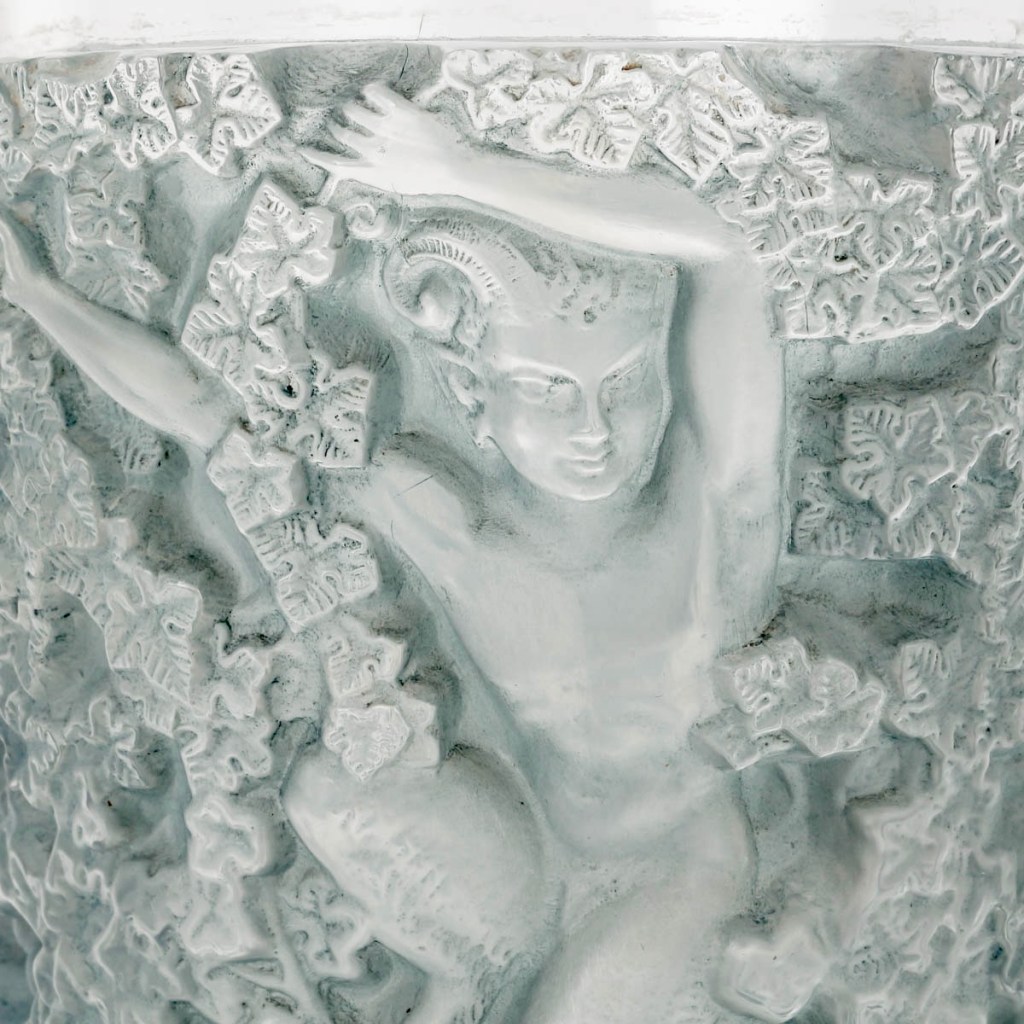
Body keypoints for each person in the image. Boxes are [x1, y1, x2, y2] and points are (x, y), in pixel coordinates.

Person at [0, 82, 789, 1022]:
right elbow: (206, 412)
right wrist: (37, 294)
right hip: (524, 856)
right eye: (547, 388)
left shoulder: (711, 513)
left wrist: (457, 169)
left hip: (679, 869)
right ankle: (473, 971)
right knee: (329, 792)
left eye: (623, 384)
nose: (594, 429)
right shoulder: (438, 524)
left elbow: (728, 252)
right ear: (474, 395)